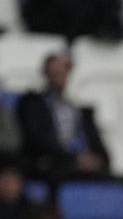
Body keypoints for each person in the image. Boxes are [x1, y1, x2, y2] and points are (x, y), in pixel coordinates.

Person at [17, 51, 110, 183]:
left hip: (83, 164)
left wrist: (97, 159)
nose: (57, 78)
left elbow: (96, 142)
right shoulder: (33, 104)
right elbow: (37, 138)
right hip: (54, 163)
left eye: (61, 73)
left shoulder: (79, 110)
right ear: (45, 74)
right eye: (53, 73)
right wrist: (73, 158)